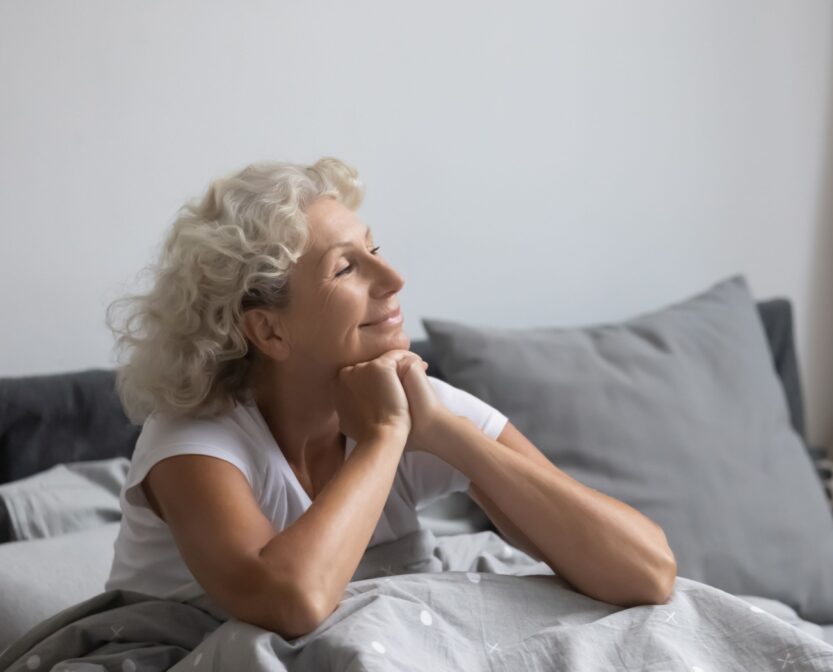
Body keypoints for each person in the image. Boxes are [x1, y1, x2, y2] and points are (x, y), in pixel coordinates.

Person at [104, 157, 677, 639]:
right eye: (347, 267)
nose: (394, 277)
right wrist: (383, 438)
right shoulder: (191, 441)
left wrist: (446, 433)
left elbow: (647, 571)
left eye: (376, 249)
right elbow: (293, 601)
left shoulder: (411, 400)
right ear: (270, 331)